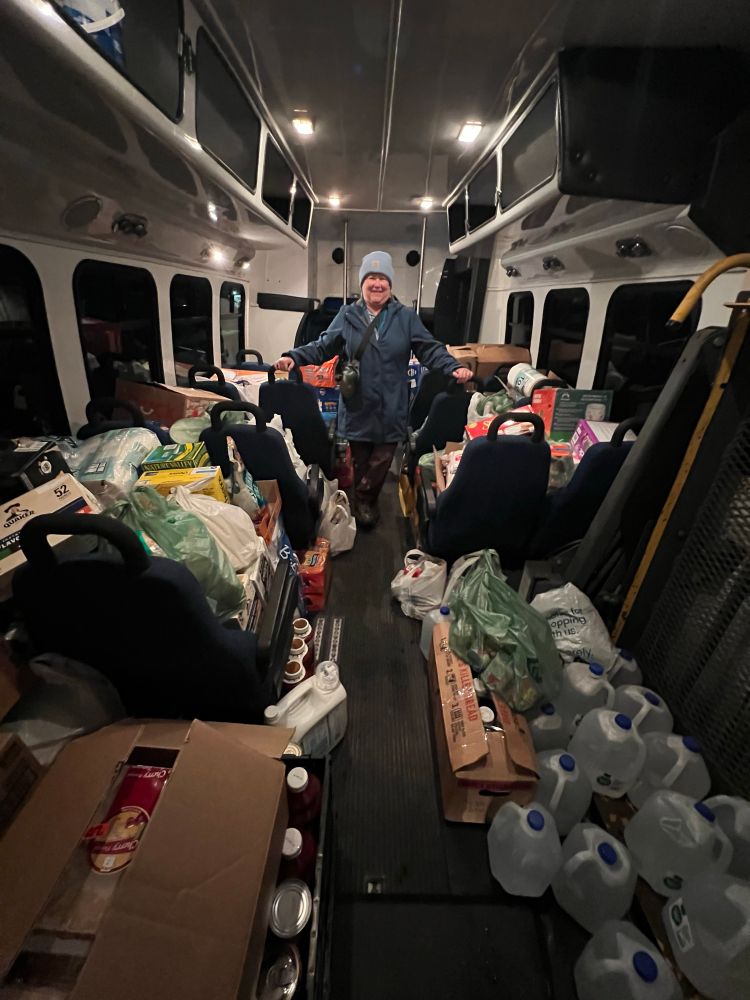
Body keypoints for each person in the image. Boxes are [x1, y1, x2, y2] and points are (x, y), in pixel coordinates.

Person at [275, 250, 473, 527]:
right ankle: (363, 493)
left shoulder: (405, 317)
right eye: (371, 278)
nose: (377, 284)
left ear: (390, 285)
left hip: (391, 405)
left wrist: (452, 366)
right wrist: (293, 357)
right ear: (362, 284)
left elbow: (429, 348)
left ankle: (365, 500)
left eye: (382, 278)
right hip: (358, 403)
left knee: (382, 460)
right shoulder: (347, 316)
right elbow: (322, 345)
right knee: (360, 460)